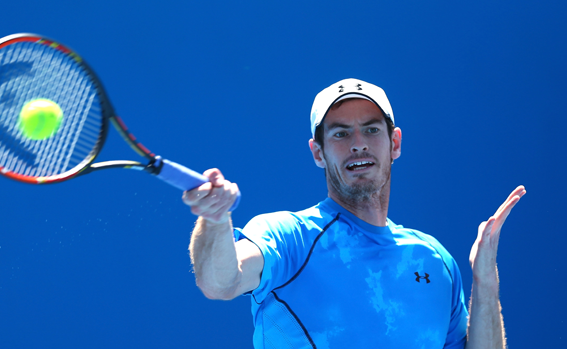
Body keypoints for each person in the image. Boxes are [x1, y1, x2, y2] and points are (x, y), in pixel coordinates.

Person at [182, 78, 526, 349]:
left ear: (395, 143)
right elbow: (218, 282)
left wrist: (485, 284)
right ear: (318, 153)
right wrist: (215, 220)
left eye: (371, 129)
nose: (358, 143)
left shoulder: (434, 261)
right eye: (341, 133)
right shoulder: (289, 236)